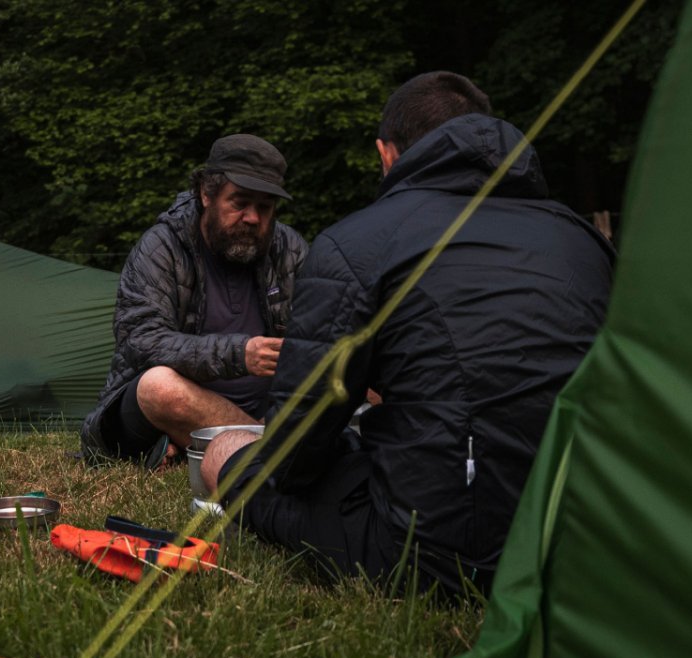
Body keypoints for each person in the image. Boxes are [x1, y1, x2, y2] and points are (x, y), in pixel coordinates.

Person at [204, 72, 616, 597]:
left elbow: (295, 454)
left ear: (386, 155)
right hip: (582, 539)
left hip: (445, 555)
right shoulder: (582, 238)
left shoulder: (356, 244)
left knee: (230, 452)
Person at [78, 134, 309, 468]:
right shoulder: (162, 248)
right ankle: (270, 452)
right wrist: (239, 354)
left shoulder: (289, 249)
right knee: (159, 388)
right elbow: (141, 341)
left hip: (268, 409)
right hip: (162, 413)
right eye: (240, 202)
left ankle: (257, 445)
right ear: (206, 194)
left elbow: (324, 330)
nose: (253, 218)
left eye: (264, 207)